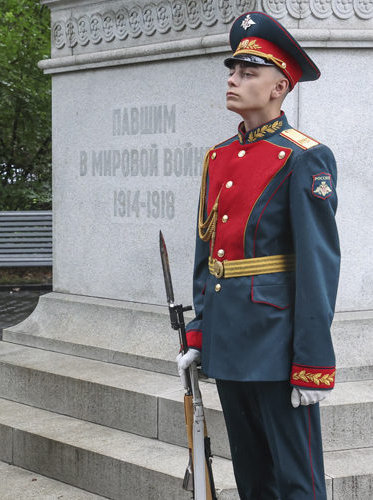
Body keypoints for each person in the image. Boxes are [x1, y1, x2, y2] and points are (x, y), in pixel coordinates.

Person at [178, 12, 339, 499]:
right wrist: (201, 330)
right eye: (233, 71)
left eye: (248, 73)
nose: (233, 80)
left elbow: (318, 264)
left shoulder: (304, 156)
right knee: (251, 478)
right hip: (230, 337)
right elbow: (207, 254)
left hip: (276, 342)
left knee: (297, 481)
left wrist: (313, 362)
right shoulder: (219, 156)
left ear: (278, 87)